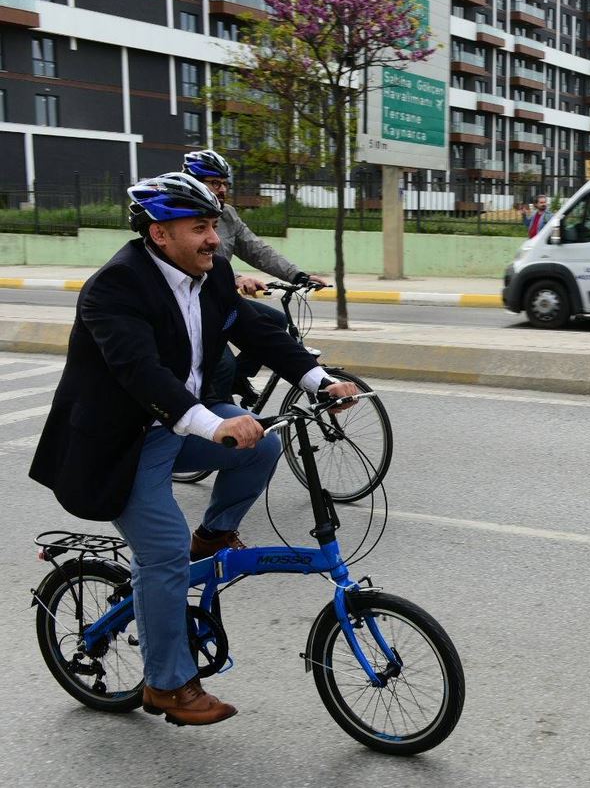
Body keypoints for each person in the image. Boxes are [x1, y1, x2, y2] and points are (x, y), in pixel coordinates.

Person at [29, 172, 360, 726]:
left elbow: (257, 332)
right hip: (120, 445)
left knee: (260, 446)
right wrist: (212, 426)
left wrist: (318, 381)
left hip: (173, 429)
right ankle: (167, 685)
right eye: (201, 228)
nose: (214, 239)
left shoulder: (211, 273)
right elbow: (142, 374)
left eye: (213, 226)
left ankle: (210, 538)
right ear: (160, 234)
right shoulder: (115, 288)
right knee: (161, 554)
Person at [181, 150, 329, 406]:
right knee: (222, 364)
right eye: (215, 183)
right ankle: (216, 417)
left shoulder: (227, 214)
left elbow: (256, 249)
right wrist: (236, 278)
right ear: (193, 182)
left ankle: (239, 378)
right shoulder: (181, 217)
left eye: (225, 184)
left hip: (221, 299)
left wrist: (298, 274)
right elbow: (190, 258)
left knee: (276, 321)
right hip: (194, 303)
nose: (222, 189)